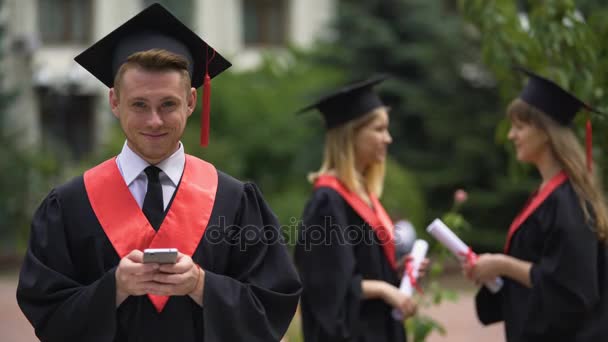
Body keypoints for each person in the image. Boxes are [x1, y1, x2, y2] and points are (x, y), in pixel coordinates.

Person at [16, 3, 301, 342]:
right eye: (139, 104)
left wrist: (201, 286)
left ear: (191, 102)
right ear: (114, 101)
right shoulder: (69, 205)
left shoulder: (234, 201)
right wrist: (115, 288)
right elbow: (49, 315)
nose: (154, 121)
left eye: (168, 104)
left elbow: (272, 306)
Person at [464, 68, 608, 341]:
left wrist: (504, 265)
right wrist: (492, 274)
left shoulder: (570, 202)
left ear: (544, 132)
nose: (511, 136)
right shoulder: (547, 196)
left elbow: (571, 290)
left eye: (520, 127)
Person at [294, 75, 420, 342]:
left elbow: (359, 267)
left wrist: (397, 271)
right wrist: (384, 289)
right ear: (350, 135)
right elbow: (325, 285)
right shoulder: (327, 201)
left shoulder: (364, 196)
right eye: (378, 129)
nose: (388, 138)